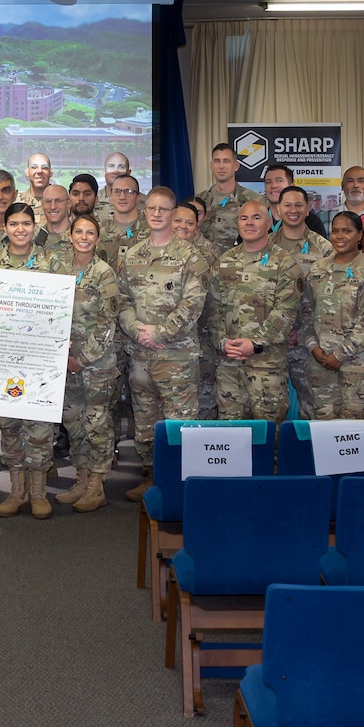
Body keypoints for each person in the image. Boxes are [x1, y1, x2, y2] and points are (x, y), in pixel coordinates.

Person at [117, 187, 215, 496]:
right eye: (152, 208)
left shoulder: (190, 257)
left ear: (173, 214)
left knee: (179, 427)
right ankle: (152, 479)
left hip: (176, 358)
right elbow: (122, 300)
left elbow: (193, 305)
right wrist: (136, 330)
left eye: (164, 209)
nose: (157, 214)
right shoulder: (132, 255)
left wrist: (159, 333)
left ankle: (182, 488)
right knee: (146, 425)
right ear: (145, 211)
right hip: (140, 356)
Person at [0, 202, 59, 519]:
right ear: (5, 227)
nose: (20, 229)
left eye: (26, 223)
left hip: (39, 359)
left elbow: (62, 307)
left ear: (34, 227)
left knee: (39, 427)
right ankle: (16, 491)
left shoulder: (51, 262)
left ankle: (38, 493)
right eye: (14, 224)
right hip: (4, 358)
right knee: (9, 426)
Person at [208, 198, 304, 424]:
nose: (249, 223)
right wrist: (221, 341)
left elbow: (286, 311)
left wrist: (256, 343)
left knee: (270, 431)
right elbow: (212, 308)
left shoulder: (285, 264)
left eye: (256, 217)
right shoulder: (224, 262)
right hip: (229, 364)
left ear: (269, 223)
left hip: (266, 366)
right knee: (231, 432)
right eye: (244, 218)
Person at [54, 214, 123, 511]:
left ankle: (96, 485)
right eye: (79, 232)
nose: (83, 237)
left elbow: (107, 324)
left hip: (96, 364)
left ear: (97, 238)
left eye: (90, 233)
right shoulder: (59, 269)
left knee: (97, 423)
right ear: (70, 236)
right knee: (73, 421)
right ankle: (81, 478)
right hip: (65, 360)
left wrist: (81, 359)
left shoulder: (104, 273)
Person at [298, 212, 364, 421]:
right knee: (321, 429)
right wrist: (314, 348)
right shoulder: (318, 269)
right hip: (320, 365)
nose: (339, 236)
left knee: (356, 431)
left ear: (359, 235)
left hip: (359, 368)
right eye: (335, 231)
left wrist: (338, 355)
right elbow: (305, 314)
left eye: (347, 231)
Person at [199, 143, 260, 249]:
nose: (221, 166)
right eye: (217, 161)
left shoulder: (254, 201)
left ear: (236, 166)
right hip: (203, 259)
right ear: (211, 166)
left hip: (238, 258)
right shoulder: (199, 201)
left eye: (226, 161)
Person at [263, 164, 328, 238]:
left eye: (279, 181)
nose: (273, 185)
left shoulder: (311, 221)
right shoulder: (257, 219)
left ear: (291, 186)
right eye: (268, 182)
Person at [96, 174, 145, 264]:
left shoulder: (151, 230)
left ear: (138, 198)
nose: (122, 197)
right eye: (116, 191)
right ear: (111, 197)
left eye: (128, 191)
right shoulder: (99, 231)